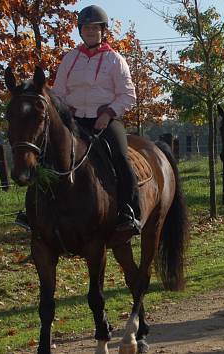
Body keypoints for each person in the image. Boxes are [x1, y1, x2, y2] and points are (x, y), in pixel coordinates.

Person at [15, 5, 141, 234]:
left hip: (104, 121)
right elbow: (59, 92)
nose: (90, 32)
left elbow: (128, 95)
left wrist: (108, 113)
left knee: (121, 158)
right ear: (80, 31)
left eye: (95, 28)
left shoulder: (115, 60)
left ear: (103, 31)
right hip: (73, 121)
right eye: (86, 28)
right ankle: (31, 212)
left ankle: (129, 211)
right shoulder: (70, 59)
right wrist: (64, 109)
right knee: (42, 155)